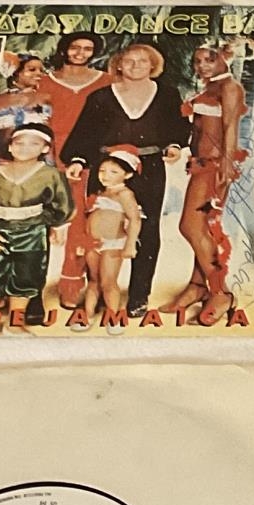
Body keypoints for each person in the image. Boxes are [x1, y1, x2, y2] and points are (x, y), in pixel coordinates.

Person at [63, 42, 186, 317]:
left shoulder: (167, 94)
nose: (135, 66)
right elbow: (84, 133)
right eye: (129, 60)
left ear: (153, 65)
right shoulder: (101, 96)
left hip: (149, 168)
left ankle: (139, 295)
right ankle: (100, 288)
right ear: (118, 64)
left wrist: (174, 145)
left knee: (147, 228)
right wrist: (78, 160)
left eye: (143, 61)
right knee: (100, 227)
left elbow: (177, 128)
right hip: (106, 166)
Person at [0, 126, 72, 331]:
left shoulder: (51, 174)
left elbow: (61, 201)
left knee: (26, 276)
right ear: (10, 147)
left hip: (32, 233)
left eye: (33, 144)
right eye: (19, 143)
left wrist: (58, 225)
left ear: (45, 148)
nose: (25, 148)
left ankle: (15, 323)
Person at [172, 41, 248, 326]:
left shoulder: (230, 87)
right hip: (200, 163)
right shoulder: (209, 89)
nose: (202, 65)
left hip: (214, 166)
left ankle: (221, 292)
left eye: (209, 59)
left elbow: (230, 127)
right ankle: (197, 286)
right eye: (198, 61)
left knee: (190, 226)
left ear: (225, 59)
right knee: (202, 227)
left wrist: (226, 165)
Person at [84, 153, 143, 327]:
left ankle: (113, 316)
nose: (105, 175)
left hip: (112, 244)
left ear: (128, 174)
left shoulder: (124, 194)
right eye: (102, 171)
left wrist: (130, 245)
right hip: (93, 242)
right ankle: (87, 315)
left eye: (113, 172)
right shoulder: (101, 192)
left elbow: (135, 219)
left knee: (108, 282)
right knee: (93, 280)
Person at [42, 33, 113, 156]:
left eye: (87, 49)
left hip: (95, 147)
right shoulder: (43, 82)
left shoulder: (108, 81)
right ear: (64, 49)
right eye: (74, 48)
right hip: (52, 149)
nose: (80, 53)